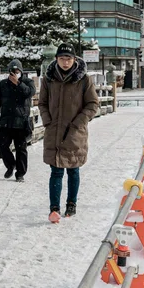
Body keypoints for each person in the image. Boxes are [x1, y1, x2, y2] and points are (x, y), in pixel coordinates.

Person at [38, 44, 99, 223]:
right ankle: (54, 208)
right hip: (54, 131)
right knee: (55, 170)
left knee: (73, 169)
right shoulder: (48, 79)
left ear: (74, 60)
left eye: (69, 58)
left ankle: (71, 203)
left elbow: (93, 104)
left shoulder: (83, 80)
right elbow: (42, 103)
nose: (66, 62)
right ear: (56, 59)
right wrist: (47, 120)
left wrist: (79, 122)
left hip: (74, 133)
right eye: (62, 58)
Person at [0, 60, 36, 181]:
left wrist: (18, 83)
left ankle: (20, 173)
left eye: (17, 71)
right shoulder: (3, 84)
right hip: (6, 120)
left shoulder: (28, 82)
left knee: (21, 148)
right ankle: (11, 165)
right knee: (2, 146)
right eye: (12, 71)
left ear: (21, 72)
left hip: (22, 121)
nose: (14, 73)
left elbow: (29, 93)